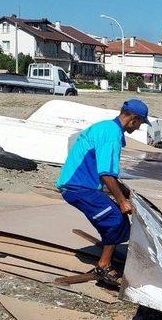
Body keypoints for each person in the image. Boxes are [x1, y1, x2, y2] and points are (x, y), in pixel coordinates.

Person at [56, 99, 150, 286]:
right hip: (78, 188)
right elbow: (106, 174)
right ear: (133, 118)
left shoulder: (107, 128)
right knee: (115, 218)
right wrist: (123, 201)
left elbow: (105, 171)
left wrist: (126, 192)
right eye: (140, 123)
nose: (138, 127)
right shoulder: (111, 134)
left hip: (81, 185)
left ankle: (106, 257)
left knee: (116, 218)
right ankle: (104, 266)